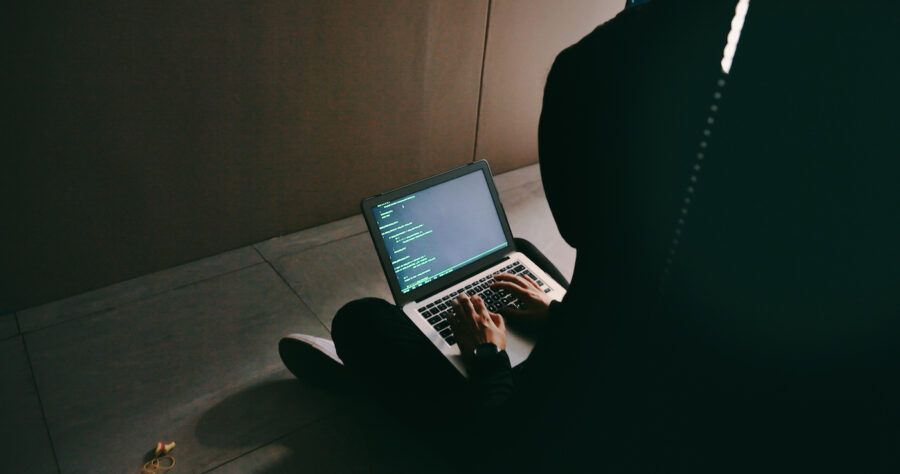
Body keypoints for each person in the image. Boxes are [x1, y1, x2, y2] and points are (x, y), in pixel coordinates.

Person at [282, 1, 900, 472]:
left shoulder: (606, 79)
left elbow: (516, 442)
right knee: (521, 278)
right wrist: (562, 316)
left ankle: (381, 386)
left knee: (364, 320)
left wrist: (489, 358)